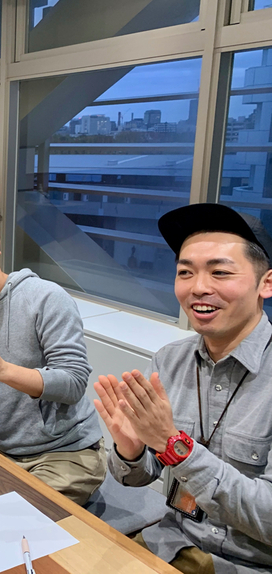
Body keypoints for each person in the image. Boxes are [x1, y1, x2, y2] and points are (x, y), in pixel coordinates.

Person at [94, 203, 272, 574]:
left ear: (266, 284)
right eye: (185, 272)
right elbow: (135, 477)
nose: (199, 288)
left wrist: (176, 446)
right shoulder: (169, 361)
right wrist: (130, 450)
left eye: (220, 272)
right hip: (171, 543)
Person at [0, 191, 105, 505]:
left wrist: (3, 371)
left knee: (14, 518)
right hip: (1, 451)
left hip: (66, 452)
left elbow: (74, 383)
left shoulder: (45, 297)